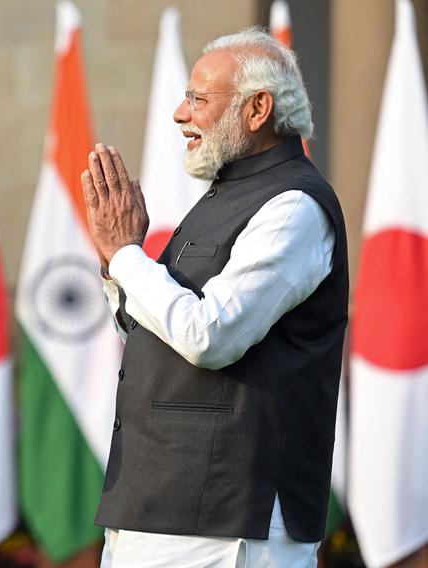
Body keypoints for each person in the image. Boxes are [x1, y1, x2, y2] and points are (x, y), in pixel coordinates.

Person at [81, 28, 348, 567]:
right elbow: (160, 335)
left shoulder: (293, 206)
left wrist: (129, 255)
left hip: (230, 520)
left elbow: (209, 336)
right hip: (158, 510)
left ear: (257, 109)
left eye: (199, 99)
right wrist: (117, 267)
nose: (181, 114)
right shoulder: (225, 195)